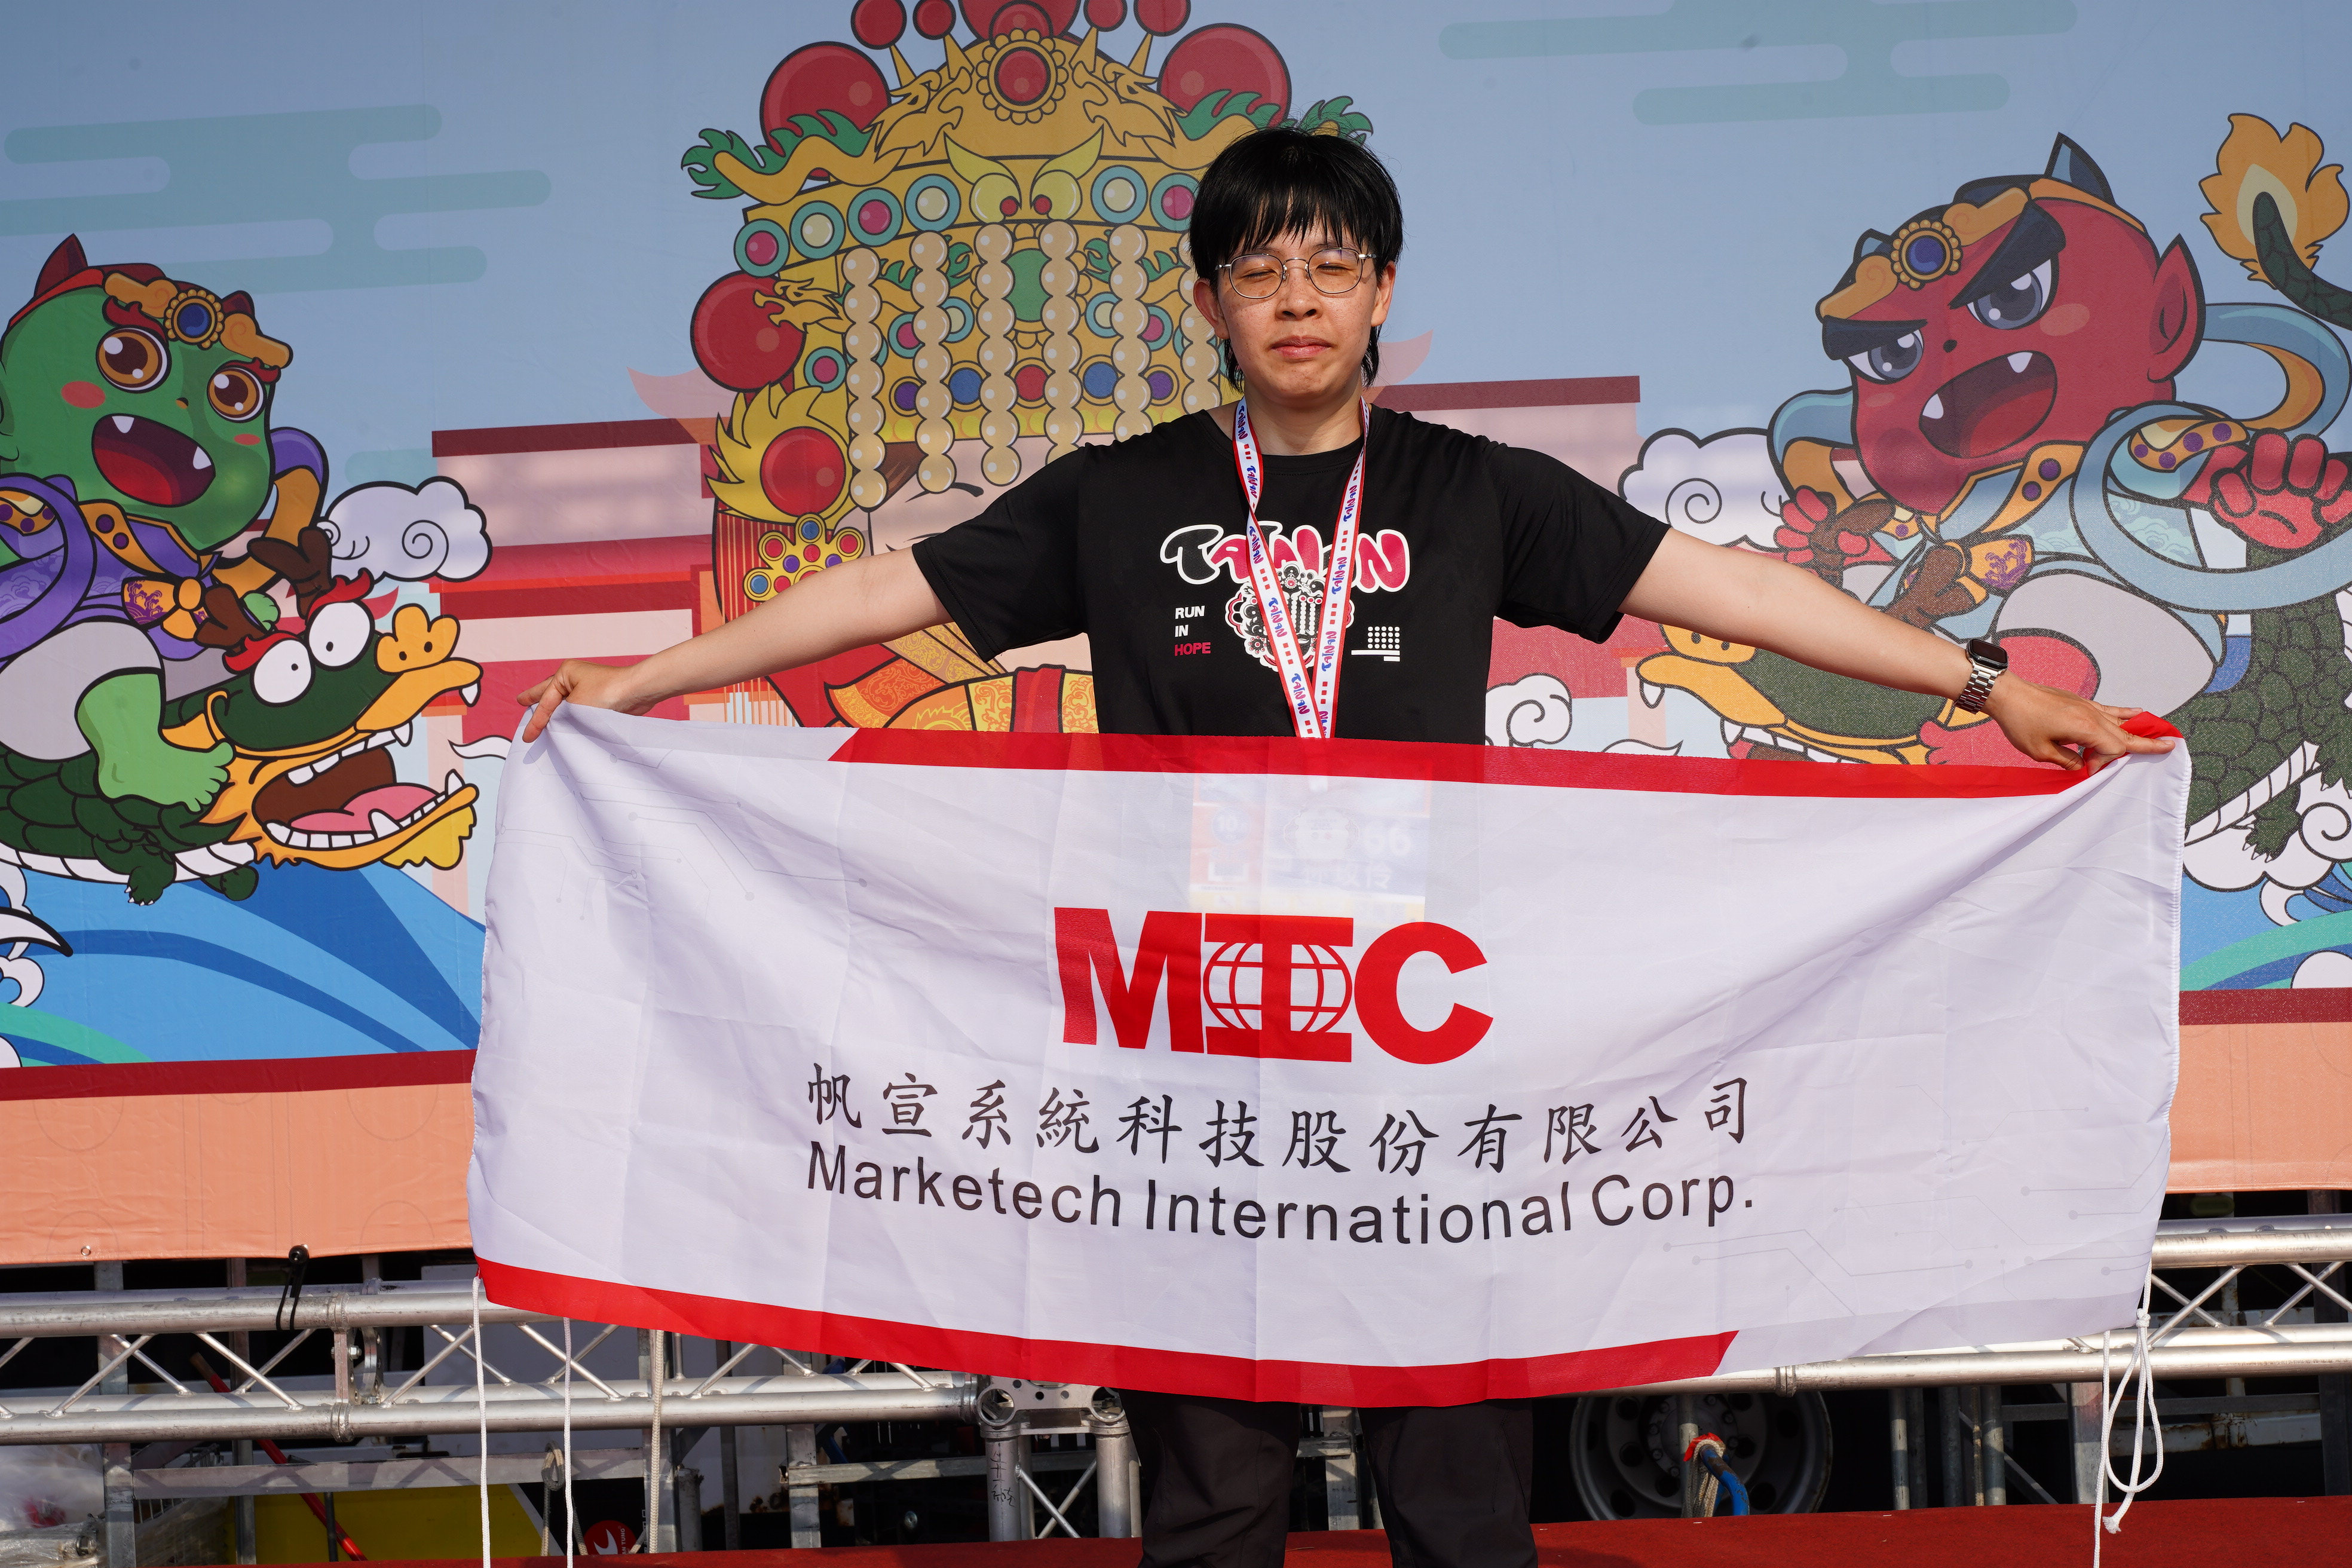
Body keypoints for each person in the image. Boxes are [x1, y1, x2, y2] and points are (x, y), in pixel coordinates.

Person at [521, 129, 2170, 1568]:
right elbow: (894, 590)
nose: (1296, 300)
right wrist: (648, 680)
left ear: (1383, 292)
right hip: (1189, 1042)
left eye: (1329, 267)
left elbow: (1729, 592)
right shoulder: (1122, 496)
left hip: (1416, 1040)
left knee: (1453, 1480)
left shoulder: (1471, 492)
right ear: (1210, 305)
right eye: (1258, 271)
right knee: (1213, 1491)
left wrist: (1987, 684)